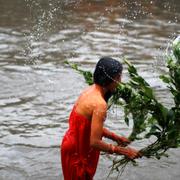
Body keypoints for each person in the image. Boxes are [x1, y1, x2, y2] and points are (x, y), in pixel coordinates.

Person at [60, 57, 141, 180]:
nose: (120, 81)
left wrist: (115, 137)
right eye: (118, 77)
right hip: (78, 152)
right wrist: (124, 151)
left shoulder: (89, 90)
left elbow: (86, 127)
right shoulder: (100, 104)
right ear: (110, 78)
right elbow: (95, 142)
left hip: (71, 145)